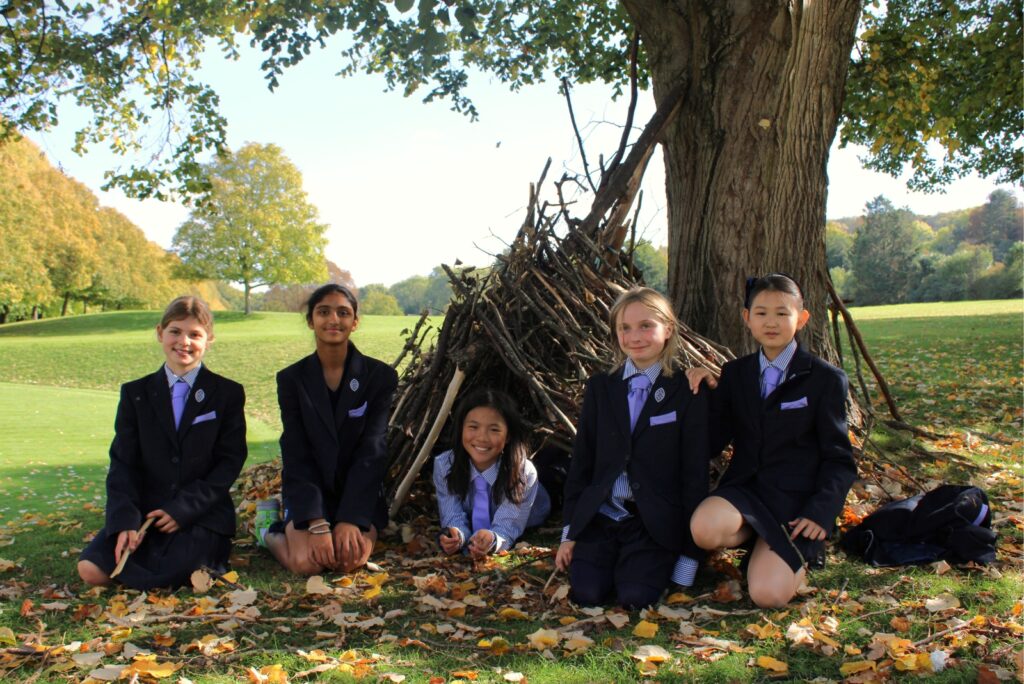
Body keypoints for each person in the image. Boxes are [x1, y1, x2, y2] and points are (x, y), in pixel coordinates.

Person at [686, 273, 857, 608]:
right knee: (704, 529)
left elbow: (839, 458)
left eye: (782, 313)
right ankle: (754, 536)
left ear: (802, 319)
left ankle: (785, 553)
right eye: (761, 313)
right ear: (747, 318)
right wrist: (700, 394)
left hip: (796, 504)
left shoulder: (825, 379)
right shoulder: (736, 374)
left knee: (768, 596)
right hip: (746, 491)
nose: (771, 322)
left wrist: (820, 512)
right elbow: (712, 440)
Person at [77, 296, 247, 589]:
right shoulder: (135, 393)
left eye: (195, 334)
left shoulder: (227, 393)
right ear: (160, 333)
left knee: (177, 573)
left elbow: (229, 461)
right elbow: (123, 463)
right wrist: (125, 521)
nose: (184, 342)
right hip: (147, 514)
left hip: (199, 513)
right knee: (91, 570)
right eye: (175, 331)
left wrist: (183, 509)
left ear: (209, 340)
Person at [555, 287, 709, 608]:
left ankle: (643, 567)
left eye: (646, 326)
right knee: (587, 593)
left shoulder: (685, 390)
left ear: (668, 329)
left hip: (652, 522)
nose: (634, 336)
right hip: (602, 517)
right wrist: (570, 534)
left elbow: (694, 476)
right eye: (624, 328)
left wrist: (688, 560)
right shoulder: (601, 388)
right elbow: (582, 463)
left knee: (635, 597)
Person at [256, 284, 398, 575]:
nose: (334, 319)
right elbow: (296, 451)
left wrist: (350, 518)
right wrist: (316, 521)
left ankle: (345, 522)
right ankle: (267, 532)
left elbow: (372, 449)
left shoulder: (380, 376)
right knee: (306, 564)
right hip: (310, 490)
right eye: (323, 312)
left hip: (358, 491)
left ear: (354, 322)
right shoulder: (291, 379)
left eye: (343, 313)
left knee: (348, 562)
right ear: (311, 321)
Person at [433, 388, 551, 558]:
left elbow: (507, 525)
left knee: (552, 477)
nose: (482, 438)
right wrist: (457, 536)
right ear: (461, 429)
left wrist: (493, 540)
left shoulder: (523, 473)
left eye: (494, 430)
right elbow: (452, 514)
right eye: (473, 427)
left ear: (508, 436)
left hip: (534, 506)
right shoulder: (445, 465)